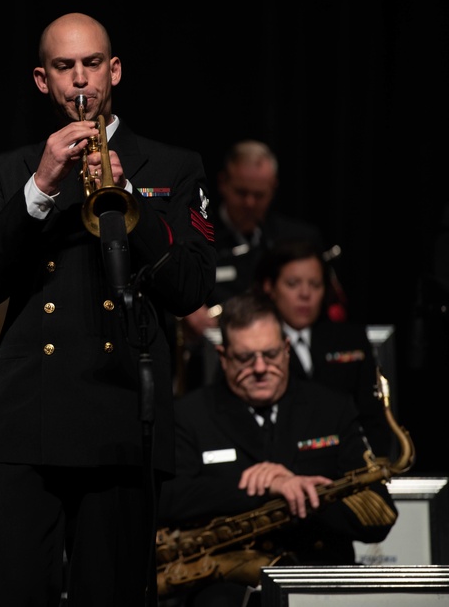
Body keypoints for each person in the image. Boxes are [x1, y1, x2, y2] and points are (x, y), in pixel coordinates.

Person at [0, 11, 217, 606]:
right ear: (42, 80)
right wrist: (42, 188)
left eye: (92, 64)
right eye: (64, 67)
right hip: (26, 426)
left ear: (114, 71)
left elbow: (193, 287)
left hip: (123, 417)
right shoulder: (8, 172)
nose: (81, 81)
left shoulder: (172, 167)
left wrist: (133, 207)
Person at [156, 292, 397, 606]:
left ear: (286, 350)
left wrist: (304, 492)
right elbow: (166, 499)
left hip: (319, 579)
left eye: (270, 354)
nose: (260, 368)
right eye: (245, 358)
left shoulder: (332, 408)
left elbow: (380, 516)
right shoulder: (189, 415)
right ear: (223, 356)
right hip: (223, 590)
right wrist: (261, 488)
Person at [177, 140, 326, 393]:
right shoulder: (195, 234)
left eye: (259, 195)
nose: (249, 203)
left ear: (274, 188)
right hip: (213, 363)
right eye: (241, 192)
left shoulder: (298, 239)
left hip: (284, 365)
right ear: (223, 183)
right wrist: (185, 309)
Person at [253, 237, 391, 457]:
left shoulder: (350, 339)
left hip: (346, 463)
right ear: (270, 287)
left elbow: (373, 417)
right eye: (292, 284)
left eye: (315, 285)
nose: (305, 294)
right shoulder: (253, 342)